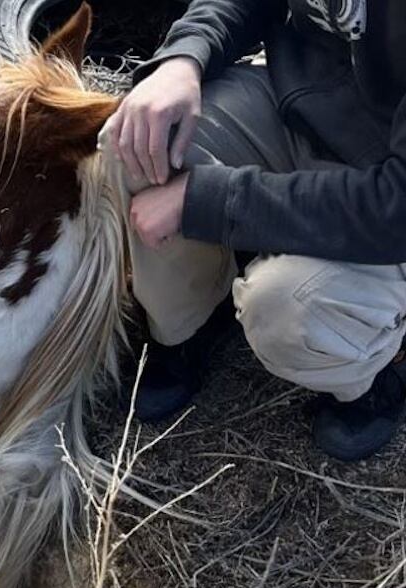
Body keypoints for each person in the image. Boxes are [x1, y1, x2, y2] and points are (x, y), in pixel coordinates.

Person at [111, 0, 406, 460]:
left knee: (287, 306)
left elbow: (395, 208)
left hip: (390, 192)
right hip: (306, 105)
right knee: (137, 137)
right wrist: (184, 57)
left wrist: (209, 200)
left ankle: (375, 375)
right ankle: (188, 323)